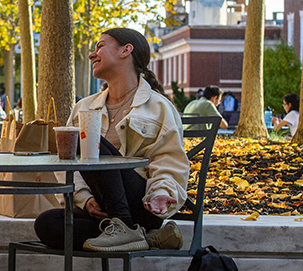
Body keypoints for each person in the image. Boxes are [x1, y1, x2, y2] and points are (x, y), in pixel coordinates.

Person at [34, 27, 189, 253]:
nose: (92, 54)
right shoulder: (84, 107)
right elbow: (67, 164)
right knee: (47, 223)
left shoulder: (158, 107)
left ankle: (125, 226)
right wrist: (85, 199)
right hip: (101, 207)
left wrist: (162, 193)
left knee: (88, 139)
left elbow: (169, 160)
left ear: (126, 51)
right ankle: (145, 238)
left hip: (141, 204)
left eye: (100, 46)